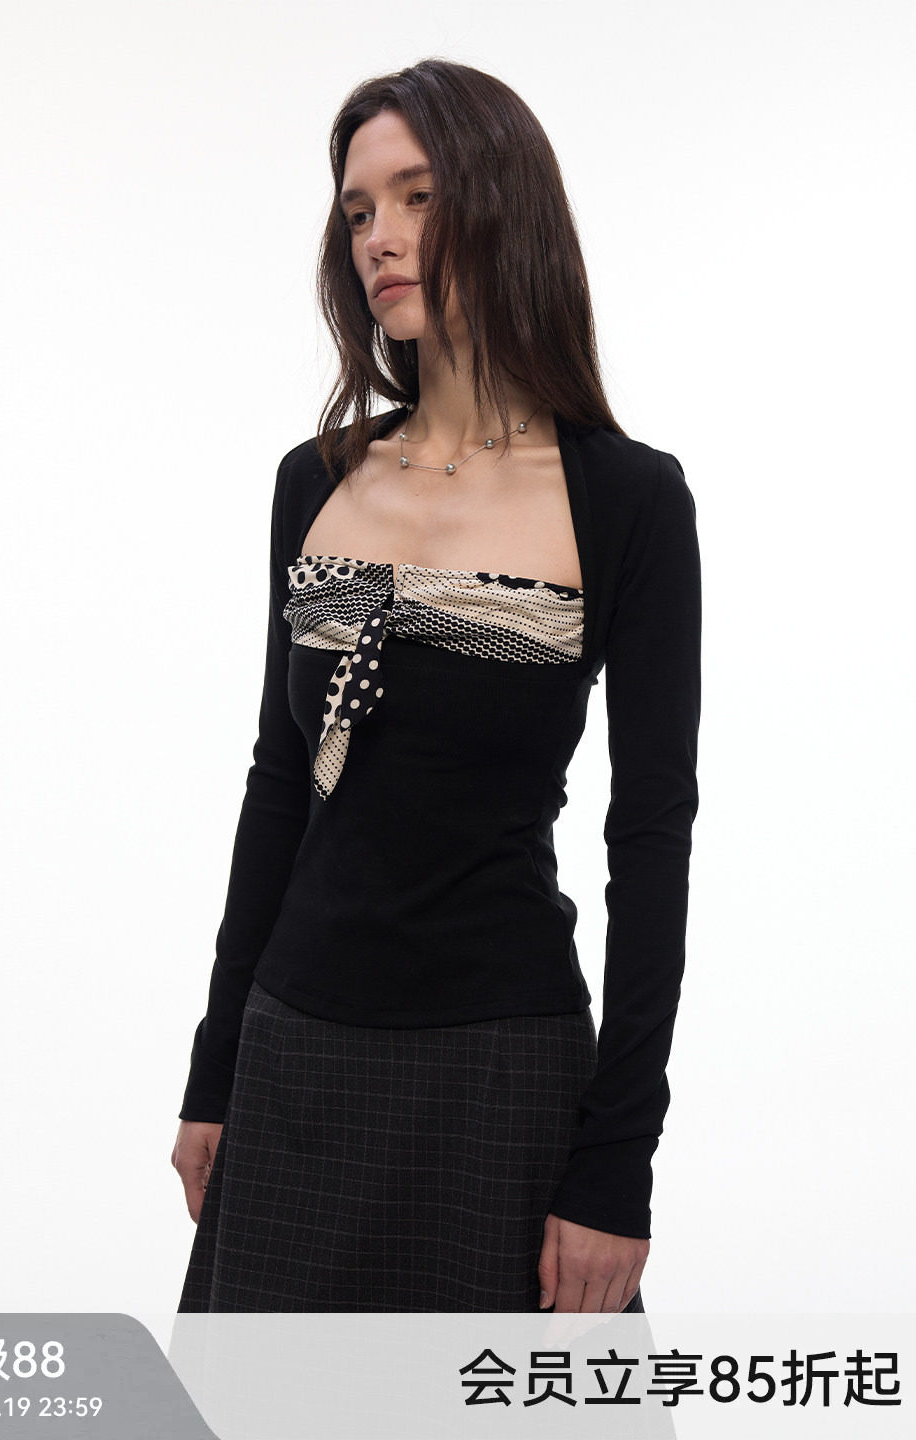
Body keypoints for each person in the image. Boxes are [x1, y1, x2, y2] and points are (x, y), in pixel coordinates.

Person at [170, 57, 701, 1314]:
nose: (380, 237)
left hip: (501, 1072)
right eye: (359, 210)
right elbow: (279, 786)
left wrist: (617, 1164)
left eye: (417, 197)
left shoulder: (627, 499)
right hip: (294, 1057)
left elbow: (651, 838)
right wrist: (215, 1065)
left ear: (503, 203)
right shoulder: (315, 481)